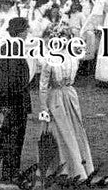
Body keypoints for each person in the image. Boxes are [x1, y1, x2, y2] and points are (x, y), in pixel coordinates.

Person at [37, 27, 94, 181]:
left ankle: (77, 167)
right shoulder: (50, 59)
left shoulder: (73, 57)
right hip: (55, 97)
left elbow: (89, 53)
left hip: (69, 95)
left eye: (66, 38)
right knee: (58, 131)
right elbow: (43, 85)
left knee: (75, 130)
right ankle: (61, 168)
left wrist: (90, 34)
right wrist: (43, 107)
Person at [0, 17, 32, 182]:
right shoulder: (15, 48)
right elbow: (13, 78)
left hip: (9, 98)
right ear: (21, 31)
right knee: (15, 137)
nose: (28, 32)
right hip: (15, 98)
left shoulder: (5, 46)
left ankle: (9, 171)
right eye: (26, 29)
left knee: (10, 136)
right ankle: (11, 173)